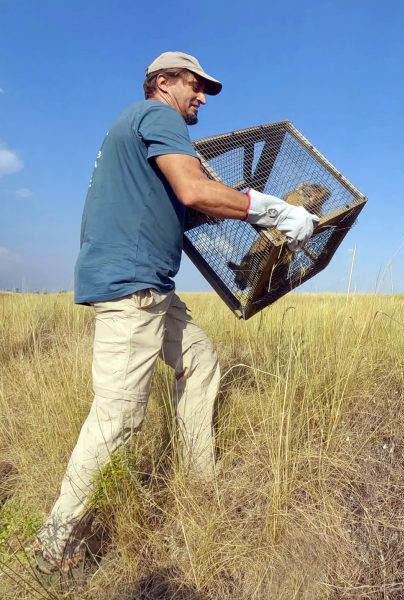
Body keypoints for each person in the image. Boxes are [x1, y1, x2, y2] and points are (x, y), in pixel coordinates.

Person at [31, 51, 318, 580]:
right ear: (162, 83)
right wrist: (275, 209)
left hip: (152, 288)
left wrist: (246, 230)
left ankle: (199, 484)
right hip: (131, 289)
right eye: (195, 85)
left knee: (201, 360)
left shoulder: (136, 129)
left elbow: (189, 208)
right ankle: (55, 540)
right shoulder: (158, 118)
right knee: (119, 414)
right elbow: (194, 190)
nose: (202, 97)